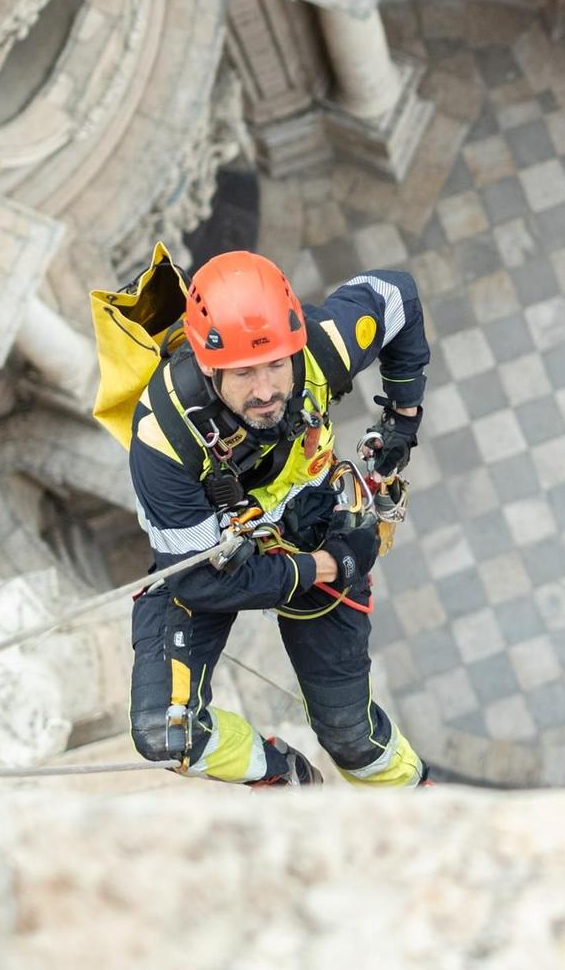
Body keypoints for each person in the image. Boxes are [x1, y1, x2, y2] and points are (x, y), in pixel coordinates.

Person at [125, 250, 431, 788]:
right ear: (206, 364)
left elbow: (395, 294)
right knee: (165, 732)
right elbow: (197, 583)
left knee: (352, 738)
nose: (265, 391)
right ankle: (280, 776)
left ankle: (416, 799)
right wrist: (326, 568)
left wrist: (403, 420)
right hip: (216, 554)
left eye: (275, 365)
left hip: (314, 521)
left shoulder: (317, 346)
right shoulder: (163, 437)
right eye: (242, 373)